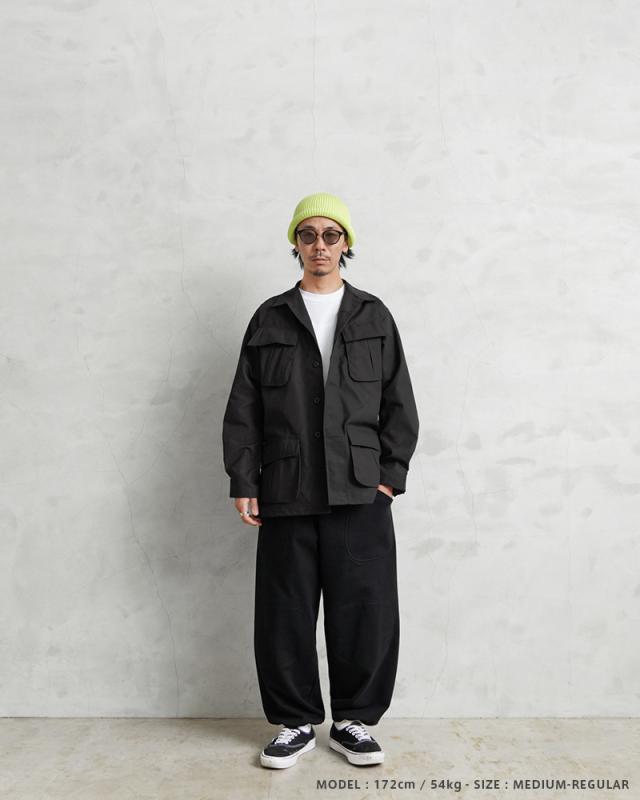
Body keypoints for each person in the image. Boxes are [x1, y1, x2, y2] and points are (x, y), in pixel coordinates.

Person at [222, 192, 420, 769]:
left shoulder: (373, 316)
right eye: (308, 235)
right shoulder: (271, 317)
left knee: (366, 607)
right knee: (284, 609)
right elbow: (244, 406)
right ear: (296, 243)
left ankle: (353, 721)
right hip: (287, 488)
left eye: (331, 235)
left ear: (346, 244)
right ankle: (295, 723)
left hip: (361, 490)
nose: (320, 246)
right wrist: (243, 478)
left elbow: (399, 403)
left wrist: (389, 478)